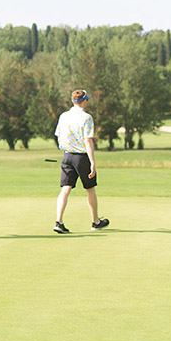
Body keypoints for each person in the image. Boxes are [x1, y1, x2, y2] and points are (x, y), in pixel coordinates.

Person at [53, 89, 109, 234]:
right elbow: (88, 140)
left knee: (65, 188)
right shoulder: (87, 118)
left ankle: (59, 222)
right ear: (83, 101)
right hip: (82, 157)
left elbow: (59, 136)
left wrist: (66, 151)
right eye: (86, 100)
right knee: (90, 188)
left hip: (67, 156)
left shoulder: (64, 116)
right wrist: (92, 162)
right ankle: (96, 222)